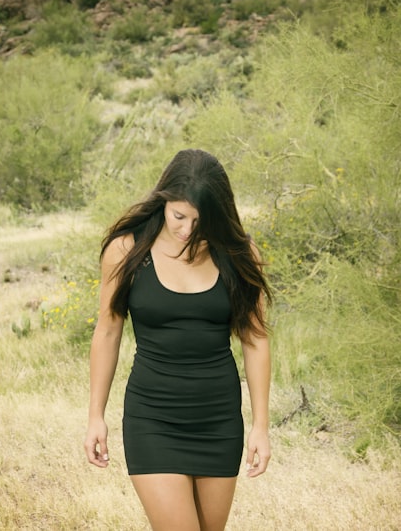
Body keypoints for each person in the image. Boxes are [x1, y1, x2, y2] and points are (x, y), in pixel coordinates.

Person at [84, 149, 272, 531]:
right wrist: (95, 416)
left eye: (199, 221)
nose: (187, 230)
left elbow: (255, 340)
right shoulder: (127, 249)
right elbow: (108, 330)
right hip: (152, 417)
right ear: (163, 201)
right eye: (178, 216)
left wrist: (261, 425)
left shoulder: (238, 254)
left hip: (218, 419)